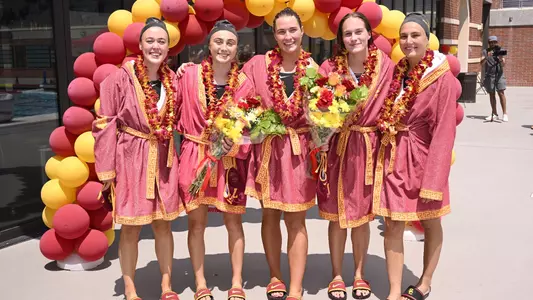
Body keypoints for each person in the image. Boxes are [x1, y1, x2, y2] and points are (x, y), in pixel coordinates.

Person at [93, 17, 181, 300]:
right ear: (141, 45)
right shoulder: (119, 79)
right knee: (130, 227)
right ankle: (130, 289)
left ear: (169, 47)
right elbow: (104, 125)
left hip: (164, 157)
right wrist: (106, 172)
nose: (156, 46)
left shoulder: (173, 79)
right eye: (150, 41)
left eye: (161, 41)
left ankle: (166, 285)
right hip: (131, 157)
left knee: (163, 224)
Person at [372, 13, 457, 300]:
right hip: (394, 157)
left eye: (415, 36)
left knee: (431, 220)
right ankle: (395, 290)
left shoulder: (440, 76)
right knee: (393, 222)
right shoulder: (398, 72)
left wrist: (433, 176)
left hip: (425, 157)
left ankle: (424, 281)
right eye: (404, 36)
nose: (409, 42)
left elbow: (445, 130)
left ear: (427, 38)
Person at [240, 8, 318, 300]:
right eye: (281, 31)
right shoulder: (257, 65)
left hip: (298, 151)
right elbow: (235, 90)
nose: (288, 37)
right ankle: (275, 276)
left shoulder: (314, 68)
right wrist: (189, 68)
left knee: (296, 219)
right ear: (274, 35)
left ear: (302, 31)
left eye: (292, 30)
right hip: (268, 151)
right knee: (269, 214)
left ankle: (296, 286)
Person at [317, 12, 394, 300]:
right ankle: (337, 274)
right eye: (347, 34)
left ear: (369, 33)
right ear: (341, 39)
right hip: (338, 148)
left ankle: (359, 274)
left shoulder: (386, 67)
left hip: (369, 149)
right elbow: (315, 106)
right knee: (336, 217)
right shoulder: (328, 67)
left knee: (361, 217)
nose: (354, 38)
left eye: (358, 32)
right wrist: (321, 133)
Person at [176, 20, 252, 300]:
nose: (224, 47)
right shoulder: (188, 75)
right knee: (197, 224)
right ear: (208, 45)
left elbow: (251, 126)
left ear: (236, 48)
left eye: (230, 43)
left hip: (230, 164)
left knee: (234, 223)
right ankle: (200, 283)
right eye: (218, 41)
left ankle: (236, 283)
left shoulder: (245, 82)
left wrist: (233, 143)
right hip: (194, 158)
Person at [481, 35, 508, 122]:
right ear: (489, 43)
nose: (493, 44)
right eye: (491, 42)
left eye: (494, 42)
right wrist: (487, 57)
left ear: (496, 42)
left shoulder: (500, 50)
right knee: (492, 94)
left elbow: (504, 64)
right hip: (490, 75)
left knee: (501, 93)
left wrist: (500, 59)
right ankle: (494, 113)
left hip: (499, 75)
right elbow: (481, 63)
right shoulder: (485, 51)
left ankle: (505, 114)